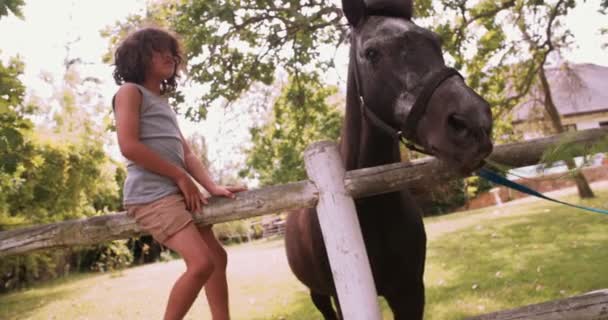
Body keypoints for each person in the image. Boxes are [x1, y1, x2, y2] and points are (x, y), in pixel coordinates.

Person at [112, 27, 245, 320]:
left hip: (176, 194)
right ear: (138, 58)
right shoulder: (129, 92)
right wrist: (180, 176)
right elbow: (129, 146)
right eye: (158, 50)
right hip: (151, 197)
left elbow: (187, 154)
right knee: (201, 264)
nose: (169, 55)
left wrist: (211, 186)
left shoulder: (162, 102)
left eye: (171, 50)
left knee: (217, 258)